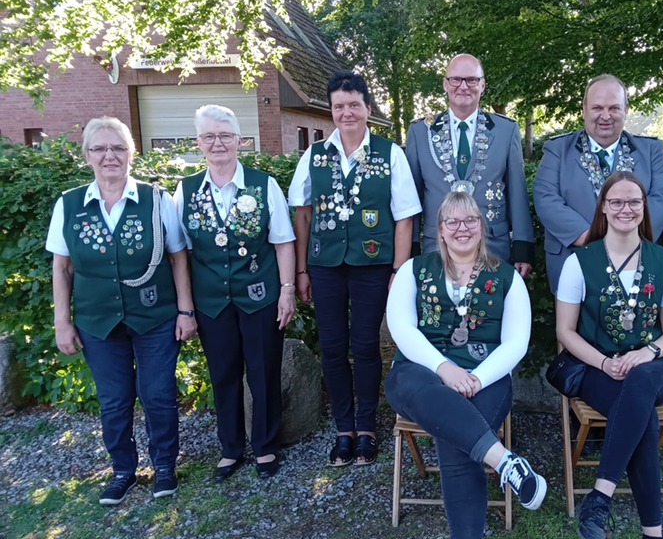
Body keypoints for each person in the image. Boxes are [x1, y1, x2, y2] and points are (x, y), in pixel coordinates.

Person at [47, 116, 196, 504]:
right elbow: (62, 267)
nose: (109, 155)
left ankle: (164, 465)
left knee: (158, 394)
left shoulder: (156, 199)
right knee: (113, 400)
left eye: (118, 148)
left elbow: (179, 258)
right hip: (97, 322)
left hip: (155, 316)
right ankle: (123, 471)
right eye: (100, 148)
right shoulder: (68, 204)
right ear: (87, 155)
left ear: (131, 153)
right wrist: (62, 321)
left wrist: (185, 311)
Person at [385, 191, 546, 538]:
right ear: (440, 230)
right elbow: (401, 328)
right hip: (418, 373)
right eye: (452, 221)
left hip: (485, 377)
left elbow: (516, 342)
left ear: (481, 226)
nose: (462, 228)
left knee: (454, 432)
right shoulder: (413, 270)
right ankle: (506, 462)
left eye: (470, 220)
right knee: (437, 402)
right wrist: (445, 370)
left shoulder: (508, 278)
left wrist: (476, 378)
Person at [289, 71, 422, 466]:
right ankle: (342, 428)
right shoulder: (315, 156)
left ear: (367, 107)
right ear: (331, 111)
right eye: (338, 106)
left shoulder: (389, 152)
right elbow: (303, 214)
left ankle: (366, 427)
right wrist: (301, 271)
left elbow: (404, 218)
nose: (346, 113)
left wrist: (398, 270)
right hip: (325, 266)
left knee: (365, 345)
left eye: (353, 104)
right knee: (331, 347)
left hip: (373, 265)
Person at [556, 172, 663, 539]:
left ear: (644, 208)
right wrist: (605, 363)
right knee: (640, 417)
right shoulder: (579, 262)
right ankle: (653, 532)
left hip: (655, 368)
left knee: (641, 382)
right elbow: (565, 331)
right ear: (604, 208)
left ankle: (599, 496)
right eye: (616, 202)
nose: (625, 208)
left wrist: (648, 352)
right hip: (597, 369)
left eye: (634, 202)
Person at [174, 104, 297, 480]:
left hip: (260, 296)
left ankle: (265, 446)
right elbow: (180, 252)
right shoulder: (186, 189)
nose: (218, 143)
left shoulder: (263, 185)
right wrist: (186, 307)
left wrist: (287, 290)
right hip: (211, 302)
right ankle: (230, 448)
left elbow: (283, 243)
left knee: (263, 373)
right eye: (209, 136)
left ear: (240, 141)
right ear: (199, 143)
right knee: (223, 374)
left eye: (225, 135)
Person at [534, 74, 663, 292]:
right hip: (575, 260)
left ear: (626, 109)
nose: (605, 116)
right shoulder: (557, 149)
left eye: (614, 108)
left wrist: (627, 241)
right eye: (597, 108)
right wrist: (593, 240)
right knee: (572, 327)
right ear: (584, 109)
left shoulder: (650, 151)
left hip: (637, 262)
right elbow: (546, 197)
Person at [406, 54, 534, 277]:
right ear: (445, 84)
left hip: (493, 245)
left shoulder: (506, 130)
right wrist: (412, 245)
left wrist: (522, 247)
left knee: (491, 310)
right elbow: (412, 197)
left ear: (482, 85)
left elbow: (517, 191)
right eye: (456, 79)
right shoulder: (420, 132)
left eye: (472, 80)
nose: (463, 86)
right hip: (436, 246)